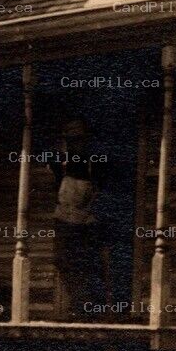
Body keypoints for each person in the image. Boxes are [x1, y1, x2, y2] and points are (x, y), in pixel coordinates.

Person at [48, 117, 112, 319]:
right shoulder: (61, 161)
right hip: (64, 217)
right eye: (70, 139)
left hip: (86, 219)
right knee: (62, 260)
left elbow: (100, 190)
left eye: (78, 139)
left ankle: (91, 308)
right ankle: (79, 304)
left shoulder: (95, 161)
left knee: (89, 263)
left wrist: (91, 213)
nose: (75, 143)